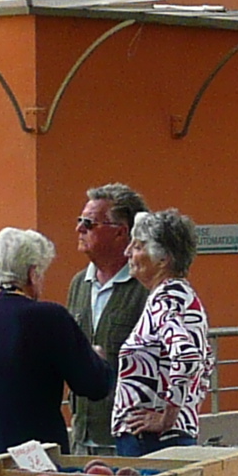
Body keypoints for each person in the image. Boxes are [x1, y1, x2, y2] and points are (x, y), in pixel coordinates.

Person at [0, 228, 116, 461]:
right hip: (34, 464)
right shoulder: (50, 318)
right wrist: (98, 359)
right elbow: (94, 385)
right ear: (32, 274)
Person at [107, 208, 213, 476]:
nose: (127, 254)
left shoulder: (167, 299)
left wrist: (165, 414)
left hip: (153, 443)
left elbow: (187, 355)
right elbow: (200, 363)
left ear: (163, 257)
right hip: (167, 440)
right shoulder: (182, 297)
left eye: (137, 246)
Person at [64, 182, 148, 452]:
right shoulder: (80, 283)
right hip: (82, 436)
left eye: (89, 223)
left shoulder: (146, 287)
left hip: (130, 439)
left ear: (120, 233)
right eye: (80, 221)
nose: (79, 229)